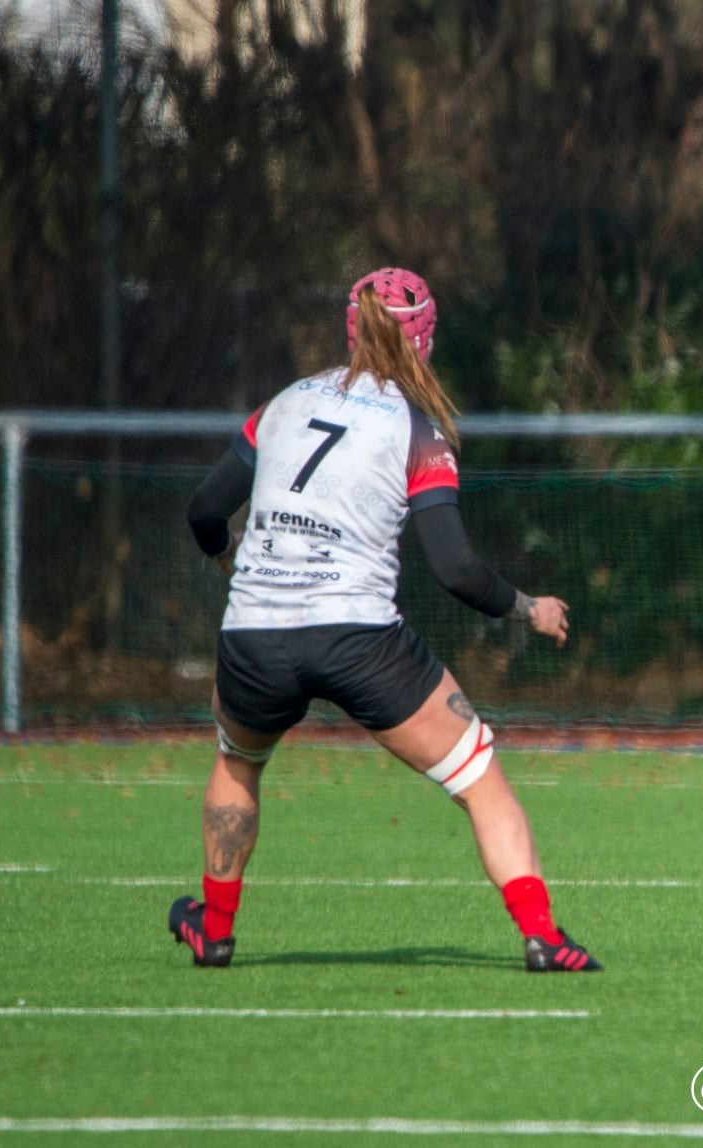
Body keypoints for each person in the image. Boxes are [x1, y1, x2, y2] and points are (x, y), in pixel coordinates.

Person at [168, 267, 600, 973]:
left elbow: (203, 512)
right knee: (479, 775)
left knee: (238, 762)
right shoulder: (417, 427)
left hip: (254, 633)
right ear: (423, 337)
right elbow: (456, 569)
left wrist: (231, 565)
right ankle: (544, 938)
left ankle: (214, 931)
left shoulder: (281, 403)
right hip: (357, 637)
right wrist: (530, 609)